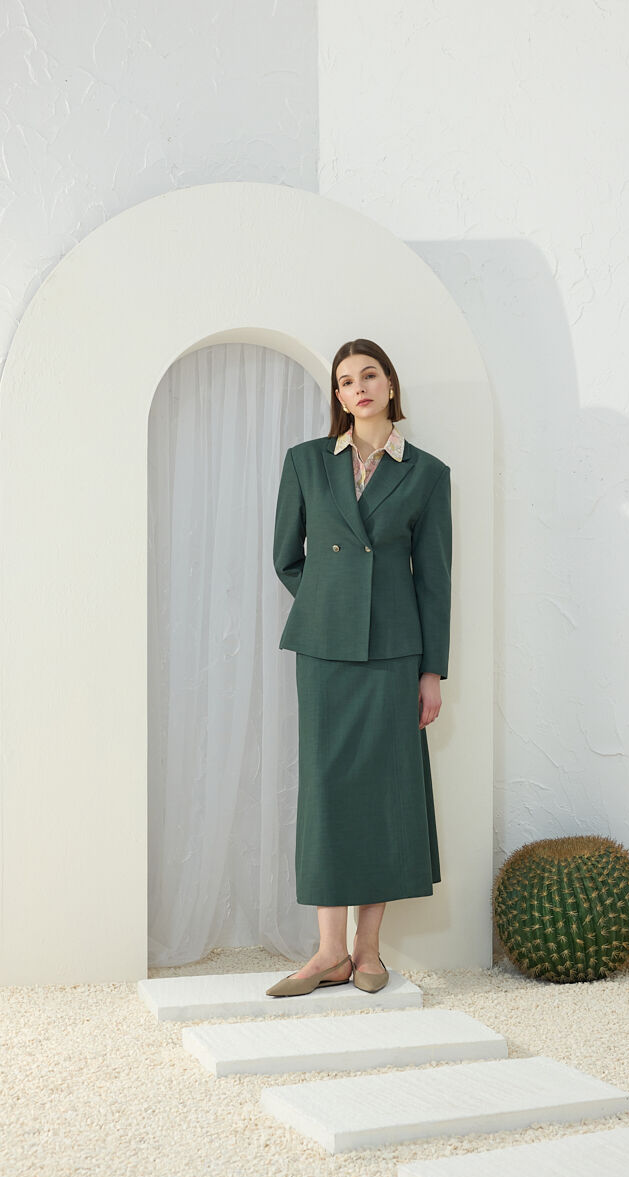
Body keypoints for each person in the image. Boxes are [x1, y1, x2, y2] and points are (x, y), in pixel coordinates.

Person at [267, 337, 452, 997]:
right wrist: (336, 606)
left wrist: (431, 672)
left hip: (395, 654)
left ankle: (367, 953)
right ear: (339, 398)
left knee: (384, 792)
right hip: (324, 650)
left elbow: (434, 581)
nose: (359, 388)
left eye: (369, 375)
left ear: (390, 384)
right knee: (326, 791)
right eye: (346, 381)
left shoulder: (427, 473)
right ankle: (327, 952)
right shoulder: (305, 462)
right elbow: (287, 558)